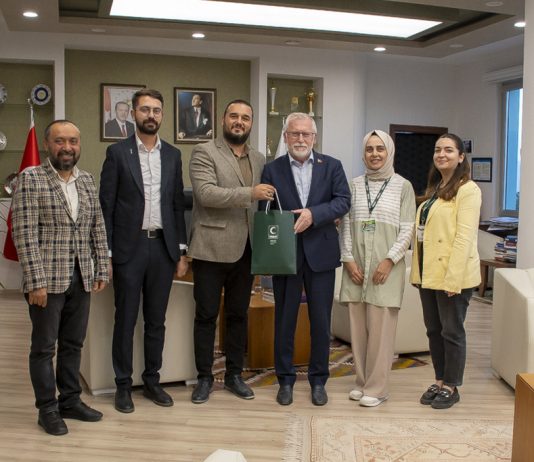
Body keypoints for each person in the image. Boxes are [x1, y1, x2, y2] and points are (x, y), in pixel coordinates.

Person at [12, 120, 109, 436]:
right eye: (59, 141)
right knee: (44, 348)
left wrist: (101, 268)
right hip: (46, 281)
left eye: (73, 141)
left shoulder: (87, 180)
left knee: (73, 344)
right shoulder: (31, 178)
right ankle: (48, 409)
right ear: (47, 144)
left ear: (79, 145)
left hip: (81, 277)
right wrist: (35, 281)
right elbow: (24, 233)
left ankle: (70, 401)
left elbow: (97, 227)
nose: (67, 147)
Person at [99, 89, 189, 413]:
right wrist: (107, 254)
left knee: (156, 321)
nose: (151, 115)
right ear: (134, 114)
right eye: (145, 109)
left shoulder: (173, 155)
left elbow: (177, 205)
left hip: (163, 248)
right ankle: (123, 386)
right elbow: (107, 206)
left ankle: (152, 381)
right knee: (125, 320)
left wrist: (181, 251)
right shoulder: (117, 153)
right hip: (129, 249)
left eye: (156, 110)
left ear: (162, 115)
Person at [188, 99, 275, 404]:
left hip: (247, 249)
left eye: (245, 118)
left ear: (251, 123)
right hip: (210, 248)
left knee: (238, 315)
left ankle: (234, 376)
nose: (239, 122)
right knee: (206, 316)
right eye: (234, 116)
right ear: (223, 119)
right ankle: (204, 378)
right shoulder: (204, 152)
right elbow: (206, 194)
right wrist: (250, 193)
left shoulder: (259, 158)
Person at [261, 112, 350, 406]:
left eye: (306, 134)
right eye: (295, 133)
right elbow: (265, 211)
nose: (300, 139)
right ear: (285, 137)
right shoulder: (271, 169)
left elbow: (343, 201)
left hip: (321, 255)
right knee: (284, 320)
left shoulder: (332, 166)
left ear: (314, 137)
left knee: (321, 323)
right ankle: (285, 381)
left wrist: (314, 214)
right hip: (284, 255)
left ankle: (319, 380)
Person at [339, 130, 415, 407]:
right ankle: (362, 382)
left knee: (381, 332)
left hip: (386, 269)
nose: (374, 154)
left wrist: (389, 260)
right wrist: (348, 259)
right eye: (369, 149)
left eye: (380, 149)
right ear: (363, 154)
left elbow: (407, 229)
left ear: (389, 152)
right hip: (357, 267)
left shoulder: (403, 186)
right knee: (358, 331)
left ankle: (378, 388)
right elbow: (345, 224)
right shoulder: (354, 185)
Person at [410, 133, 481, 409]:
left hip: (453, 276)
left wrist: (453, 280)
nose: (441, 154)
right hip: (429, 274)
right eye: (438, 150)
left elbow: (464, 238)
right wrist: (417, 274)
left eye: (449, 150)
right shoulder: (436, 188)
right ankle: (439, 380)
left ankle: (452, 385)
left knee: (452, 332)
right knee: (434, 331)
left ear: (461, 157)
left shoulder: (468, 190)